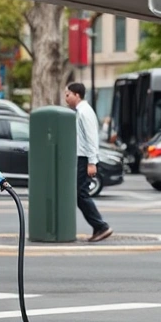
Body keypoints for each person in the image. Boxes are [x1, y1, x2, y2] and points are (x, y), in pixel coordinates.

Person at [64, 83, 112, 243]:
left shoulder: (85, 112)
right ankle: (99, 226)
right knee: (79, 194)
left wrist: (92, 162)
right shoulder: (79, 112)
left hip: (84, 158)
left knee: (80, 194)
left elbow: (92, 138)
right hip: (81, 157)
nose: (66, 98)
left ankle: (101, 226)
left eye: (68, 95)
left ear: (77, 95)